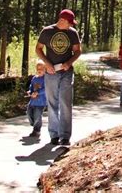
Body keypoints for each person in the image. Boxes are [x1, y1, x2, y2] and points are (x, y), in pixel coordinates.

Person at [35, 9, 81, 146]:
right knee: (52, 103)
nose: (71, 25)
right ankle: (54, 135)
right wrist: (47, 64)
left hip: (66, 72)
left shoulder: (73, 33)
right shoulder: (47, 31)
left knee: (65, 103)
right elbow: (38, 49)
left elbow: (78, 51)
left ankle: (65, 136)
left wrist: (69, 62)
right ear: (62, 20)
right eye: (69, 23)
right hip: (51, 72)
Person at [26, 59, 47, 138]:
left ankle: (36, 130)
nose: (39, 71)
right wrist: (29, 91)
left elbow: (46, 89)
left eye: (41, 69)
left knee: (37, 116)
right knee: (28, 113)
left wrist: (38, 93)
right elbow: (31, 86)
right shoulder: (34, 78)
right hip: (32, 101)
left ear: (45, 69)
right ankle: (34, 124)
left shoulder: (45, 79)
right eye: (38, 69)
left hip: (41, 102)